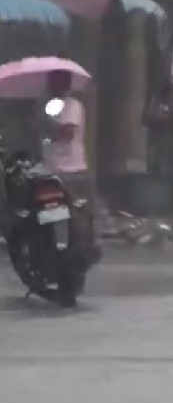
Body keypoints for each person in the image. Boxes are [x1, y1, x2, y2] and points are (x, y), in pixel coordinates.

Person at [41, 69, 99, 263]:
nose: (51, 86)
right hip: (53, 172)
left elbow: (67, 134)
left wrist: (47, 125)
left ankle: (78, 254)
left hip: (72, 173)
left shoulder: (72, 105)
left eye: (55, 82)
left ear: (65, 85)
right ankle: (56, 254)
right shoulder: (51, 107)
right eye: (50, 82)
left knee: (76, 220)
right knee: (53, 217)